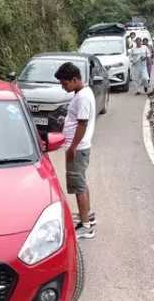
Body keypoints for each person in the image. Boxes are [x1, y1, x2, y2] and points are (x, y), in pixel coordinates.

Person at [54, 62, 97, 239]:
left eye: (64, 83)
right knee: (81, 182)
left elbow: (82, 123)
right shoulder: (81, 93)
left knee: (78, 186)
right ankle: (87, 215)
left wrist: (72, 147)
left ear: (74, 79)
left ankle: (86, 226)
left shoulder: (83, 97)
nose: (63, 87)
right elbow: (77, 119)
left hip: (77, 148)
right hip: (79, 147)